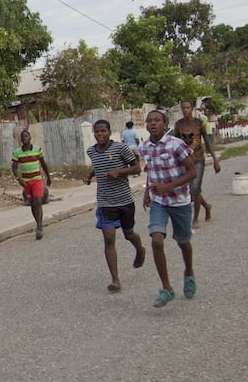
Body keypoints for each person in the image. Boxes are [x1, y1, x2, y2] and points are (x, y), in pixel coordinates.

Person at [140, 110, 198, 308]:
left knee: (183, 242)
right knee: (156, 240)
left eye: (157, 120)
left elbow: (192, 172)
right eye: (149, 121)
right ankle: (166, 288)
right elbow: (151, 170)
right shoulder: (145, 147)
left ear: (165, 125)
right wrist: (148, 191)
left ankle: (188, 272)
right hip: (159, 201)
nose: (153, 124)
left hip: (179, 200)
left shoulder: (176, 145)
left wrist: (168, 187)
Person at [83, 120, 146, 293]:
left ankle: (139, 249)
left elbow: (136, 168)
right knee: (109, 238)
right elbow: (97, 166)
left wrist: (119, 171)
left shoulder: (120, 148)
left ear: (110, 132)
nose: (99, 134)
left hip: (124, 200)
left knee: (129, 234)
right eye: (96, 132)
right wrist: (89, 175)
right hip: (105, 202)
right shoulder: (91, 151)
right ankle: (115, 280)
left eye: (103, 131)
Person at [172, 99, 221, 228]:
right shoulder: (178, 125)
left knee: (195, 188)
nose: (186, 110)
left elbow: (207, 142)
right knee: (191, 190)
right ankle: (207, 206)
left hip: (198, 159)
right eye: (183, 108)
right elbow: (175, 144)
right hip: (184, 161)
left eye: (188, 108)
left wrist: (215, 160)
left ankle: (195, 219)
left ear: (192, 108)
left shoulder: (200, 124)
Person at [12, 129, 52, 239]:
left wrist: (48, 177)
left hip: (37, 179)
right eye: (22, 137)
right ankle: (38, 223)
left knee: (38, 200)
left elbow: (43, 164)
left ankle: (39, 227)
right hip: (26, 183)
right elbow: (14, 168)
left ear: (30, 138)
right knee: (33, 204)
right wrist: (19, 179)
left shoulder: (37, 150)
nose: (24, 138)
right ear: (21, 140)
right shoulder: (17, 153)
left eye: (26, 136)